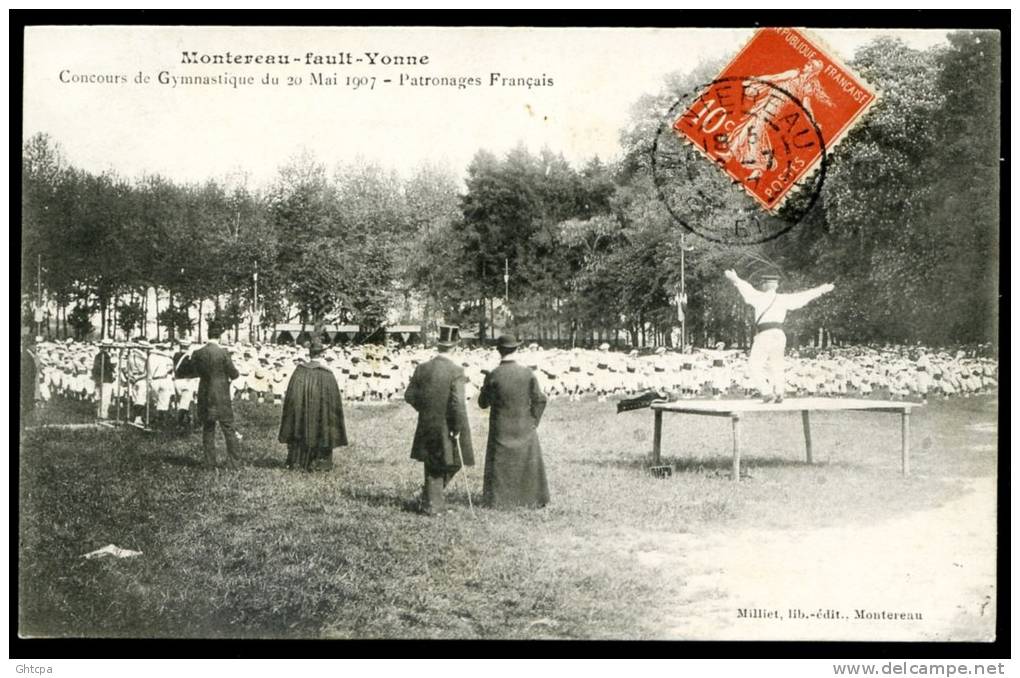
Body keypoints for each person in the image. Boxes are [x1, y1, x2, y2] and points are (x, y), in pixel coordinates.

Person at [724, 269, 834, 403]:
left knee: (754, 365)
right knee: (777, 364)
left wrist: (734, 277)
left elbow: (745, 287)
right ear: (776, 286)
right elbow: (805, 296)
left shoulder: (759, 296)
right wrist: (823, 289)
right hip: (779, 334)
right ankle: (780, 392)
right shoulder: (784, 299)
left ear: (764, 285)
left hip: (765, 334)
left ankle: (766, 392)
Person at [404, 325, 475, 515]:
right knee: (452, 461)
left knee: (433, 461)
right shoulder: (456, 370)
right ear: (456, 346)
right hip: (448, 424)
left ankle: (429, 498)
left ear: (438, 345)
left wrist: (426, 409)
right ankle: (433, 505)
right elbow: (457, 402)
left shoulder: (423, 367)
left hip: (427, 423)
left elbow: (409, 395)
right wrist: (457, 426)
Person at [478, 333, 549, 508]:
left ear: (498, 351)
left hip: (500, 427)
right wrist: (534, 421)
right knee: (526, 463)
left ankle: (498, 500)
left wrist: (484, 385)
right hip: (524, 425)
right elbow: (540, 399)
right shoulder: (527, 373)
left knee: (501, 466)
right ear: (517, 349)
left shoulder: (494, 375)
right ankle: (531, 499)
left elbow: (482, 404)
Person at [278, 340, 349, 471]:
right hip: (321, 413)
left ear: (309, 353)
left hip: (301, 412)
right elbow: (333, 401)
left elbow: (292, 396)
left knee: (300, 427)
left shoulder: (299, 371)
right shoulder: (327, 374)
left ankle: (297, 462)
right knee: (322, 428)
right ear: (322, 355)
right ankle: (320, 463)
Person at [191, 323, 243, 469]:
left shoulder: (198, 353)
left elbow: (193, 371)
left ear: (208, 335)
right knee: (228, 428)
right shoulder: (223, 353)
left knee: (208, 429)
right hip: (221, 394)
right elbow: (234, 373)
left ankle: (209, 463)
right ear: (219, 337)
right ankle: (234, 463)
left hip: (205, 393)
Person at [173, 338, 199, 431]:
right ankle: (179, 423)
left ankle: (187, 420)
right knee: (185, 404)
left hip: (177, 381)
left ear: (180, 346)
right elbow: (194, 371)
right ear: (189, 346)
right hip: (187, 382)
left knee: (181, 402)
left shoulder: (175, 355)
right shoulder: (190, 357)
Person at [92, 338, 116, 419]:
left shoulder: (98, 356)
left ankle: (99, 413)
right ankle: (103, 414)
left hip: (99, 379)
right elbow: (108, 368)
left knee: (99, 396)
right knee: (105, 397)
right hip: (106, 379)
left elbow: (95, 368)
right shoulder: (106, 357)